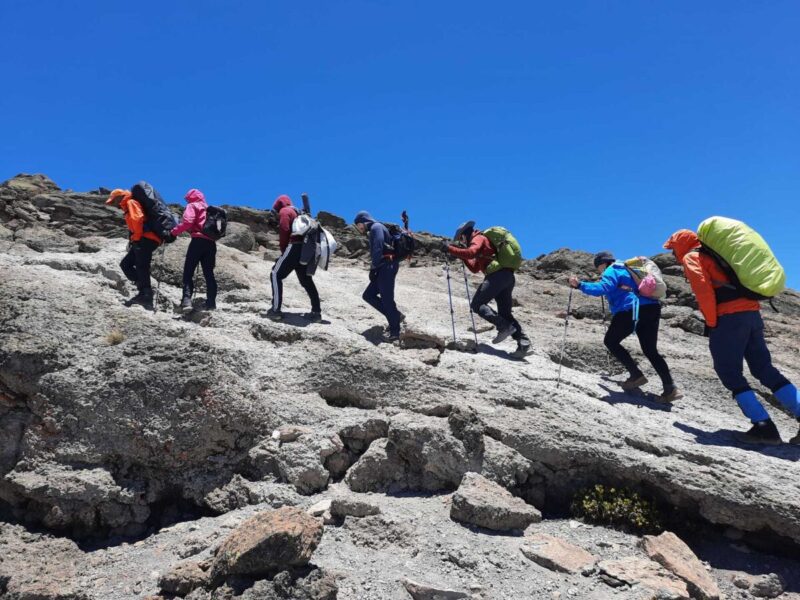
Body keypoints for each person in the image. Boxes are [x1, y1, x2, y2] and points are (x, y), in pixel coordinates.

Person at [664, 230, 800, 444]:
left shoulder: (693, 257)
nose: (672, 254)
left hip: (729, 318)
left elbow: (704, 292)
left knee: (729, 372)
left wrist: (711, 323)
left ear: (681, 245)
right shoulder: (717, 255)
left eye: (673, 249)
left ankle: (764, 427)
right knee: (764, 369)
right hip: (752, 315)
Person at [568, 251, 680, 402]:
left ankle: (636, 375)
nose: (599, 271)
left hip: (631, 309)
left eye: (598, 268)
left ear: (602, 264)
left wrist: (579, 284)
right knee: (650, 350)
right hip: (652, 308)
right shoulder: (630, 268)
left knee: (611, 341)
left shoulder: (612, 270)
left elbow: (603, 288)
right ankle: (670, 388)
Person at [443, 221, 531, 357]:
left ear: (464, 235)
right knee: (505, 313)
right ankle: (523, 343)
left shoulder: (478, 238)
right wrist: (461, 254)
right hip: (507, 277)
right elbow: (475, 268)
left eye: (461, 239)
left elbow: (471, 253)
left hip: (496, 276)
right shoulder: (484, 242)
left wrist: (450, 249)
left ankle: (504, 327)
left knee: (477, 304)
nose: (462, 242)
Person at [266, 195, 321, 321]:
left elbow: (284, 229)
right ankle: (316, 312)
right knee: (306, 280)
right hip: (305, 249)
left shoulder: (285, 211)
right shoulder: (298, 212)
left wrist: (284, 251)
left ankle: (275, 310)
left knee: (275, 274)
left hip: (294, 247)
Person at [106, 188, 162, 310]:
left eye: (114, 201)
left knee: (141, 266)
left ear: (120, 197)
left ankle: (146, 294)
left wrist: (136, 238)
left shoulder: (131, 202)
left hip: (145, 238)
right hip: (144, 238)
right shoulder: (129, 204)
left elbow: (138, 219)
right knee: (126, 264)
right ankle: (143, 288)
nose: (114, 204)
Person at [353, 211, 403, 342]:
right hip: (384, 266)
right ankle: (396, 316)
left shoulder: (376, 227)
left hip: (386, 266)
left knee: (387, 299)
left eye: (358, 225)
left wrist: (373, 267)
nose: (358, 228)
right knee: (368, 295)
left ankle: (395, 332)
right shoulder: (376, 228)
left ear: (363, 221)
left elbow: (378, 247)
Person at [170, 188, 217, 312]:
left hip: (197, 241)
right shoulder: (210, 209)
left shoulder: (192, 205)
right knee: (209, 274)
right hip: (211, 243)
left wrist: (173, 232)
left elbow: (188, 222)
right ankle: (211, 303)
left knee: (188, 272)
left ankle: (186, 301)